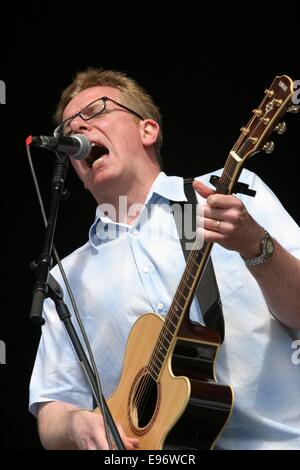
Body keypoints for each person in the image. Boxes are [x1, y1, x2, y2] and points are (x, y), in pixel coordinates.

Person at [29, 68, 300, 450]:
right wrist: (75, 424)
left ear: (147, 130)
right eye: (68, 129)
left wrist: (256, 244)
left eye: (95, 112)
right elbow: (52, 403)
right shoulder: (68, 277)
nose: (79, 131)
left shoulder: (226, 196)